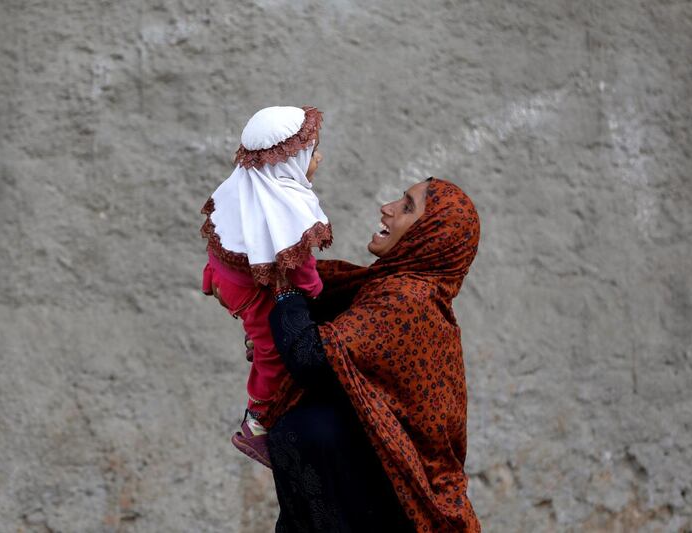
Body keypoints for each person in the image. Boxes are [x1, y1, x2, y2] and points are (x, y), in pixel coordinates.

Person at [256, 177, 481, 532]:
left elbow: (310, 357)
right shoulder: (380, 291)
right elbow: (327, 349)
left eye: (407, 207)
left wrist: (286, 291)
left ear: (430, 237)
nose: (387, 208)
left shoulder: (407, 301)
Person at [199, 105, 331, 466]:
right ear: (288, 160)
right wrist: (317, 292)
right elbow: (301, 270)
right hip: (247, 295)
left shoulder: (245, 183)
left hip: (222, 278)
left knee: (260, 333)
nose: (317, 158)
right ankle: (255, 422)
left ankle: (251, 335)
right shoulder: (287, 204)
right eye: (311, 153)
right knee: (271, 349)